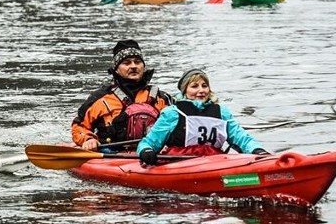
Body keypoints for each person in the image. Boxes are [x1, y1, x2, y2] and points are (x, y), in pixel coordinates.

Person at [136, 68, 269, 164]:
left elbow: (240, 137)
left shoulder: (221, 112)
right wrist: (146, 150)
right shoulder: (172, 113)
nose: (201, 91)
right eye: (194, 86)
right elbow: (150, 142)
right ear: (185, 91)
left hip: (213, 161)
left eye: (204, 86)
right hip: (179, 163)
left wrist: (257, 150)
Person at [72, 40, 174, 151]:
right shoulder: (100, 98)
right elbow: (79, 125)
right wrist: (88, 139)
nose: (133, 66)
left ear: (143, 67)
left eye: (137, 62)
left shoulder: (161, 97)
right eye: (127, 63)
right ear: (117, 69)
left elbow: (179, 123)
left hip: (152, 152)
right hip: (111, 153)